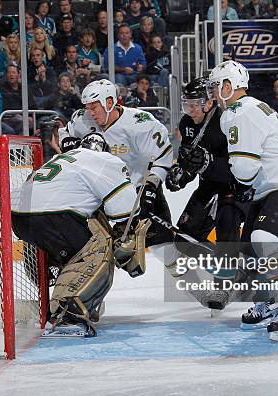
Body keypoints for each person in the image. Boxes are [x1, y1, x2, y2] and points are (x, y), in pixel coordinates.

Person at [208, 60, 278, 341]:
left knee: (265, 239)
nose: (212, 91)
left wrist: (215, 169)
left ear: (228, 86)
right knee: (249, 250)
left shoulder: (240, 112)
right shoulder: (247, 109)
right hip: (275, 183)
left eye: (215, 86)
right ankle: (268, 300)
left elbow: (245, 170)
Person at [13, 132, 149, 336]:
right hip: (55, 219)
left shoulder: (62, 159)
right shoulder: (105, 159)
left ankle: (60, 300)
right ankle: (69, 315)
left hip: (21, 222)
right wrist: (126, 237)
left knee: (74, 247)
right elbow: (124, 211)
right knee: (101, 245)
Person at [163, 77, 249, 310]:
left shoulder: (227, 121)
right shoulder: (186, 124)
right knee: (183, 241)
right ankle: (235, 267)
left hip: (235, 187)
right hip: (209, 186)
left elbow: (240, 163)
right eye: (185, 104)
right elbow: (188, 159)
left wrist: (210, 164)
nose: (189, 110)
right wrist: (181, 174)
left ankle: (223, 286)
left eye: (193, 104)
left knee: (226, 230)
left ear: (209, 103)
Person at [59, 79, 173, 247]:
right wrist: (70, 143)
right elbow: (65, 135)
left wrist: (149, 190)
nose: (90, 113)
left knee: (164, 247)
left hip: (140, 190)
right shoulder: (82, 120)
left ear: (109, 102)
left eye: (94, 107)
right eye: (87, 107)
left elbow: (162, 156)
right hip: (104, 195)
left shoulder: (139, 122)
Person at [0, 63, 37, 134]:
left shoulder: (24, 89)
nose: (11, 75)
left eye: (13, 72)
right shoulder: (2, 89)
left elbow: (33, 105)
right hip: (7, 118)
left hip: (24, 117)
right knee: (22, 122)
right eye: (9, 72)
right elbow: (5, 107)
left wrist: (30, 116)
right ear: (6, 75)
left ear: (18, 75)